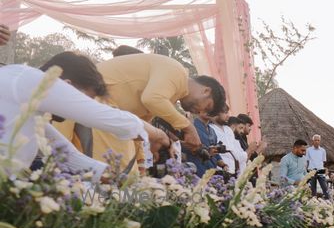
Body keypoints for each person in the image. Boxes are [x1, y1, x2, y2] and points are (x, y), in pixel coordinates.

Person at [0, 62, 149, 177]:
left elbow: (64, 153)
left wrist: (114, 177)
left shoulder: (29, 109)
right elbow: (100, 116)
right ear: (67, 86)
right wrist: (156, 134)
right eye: (83, 99)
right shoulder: (30, 79)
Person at [96, 53, 225, 156]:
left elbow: (138, 126)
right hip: (95, 101)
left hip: (105, 117)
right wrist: (188, 127)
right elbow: (152, 99)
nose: (200, 112)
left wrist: (142, 157)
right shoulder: (176, 71)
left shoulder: (169, 97)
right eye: (206, 107)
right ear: (206, 91)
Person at [209, 105, 243, 176]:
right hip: (219, 170)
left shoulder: (228, 129)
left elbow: (234, 149)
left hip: (233, 170)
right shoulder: (210, 128)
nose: (228, 116)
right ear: (217, 113)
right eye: (225, 113)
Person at [305, 134, 330, 199]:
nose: (317, 141)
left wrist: (325, 170)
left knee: (325, 188)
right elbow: (307, 161)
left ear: (320, 141)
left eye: (318, 140)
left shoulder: (323, 150)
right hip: (311, 171)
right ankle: (313, 205)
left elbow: (324, 161)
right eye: (315, 140)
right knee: (313, 190)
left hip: (321, 171)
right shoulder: (308, 150)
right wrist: (306, 172)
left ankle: (328, 203)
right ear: (313, 141)